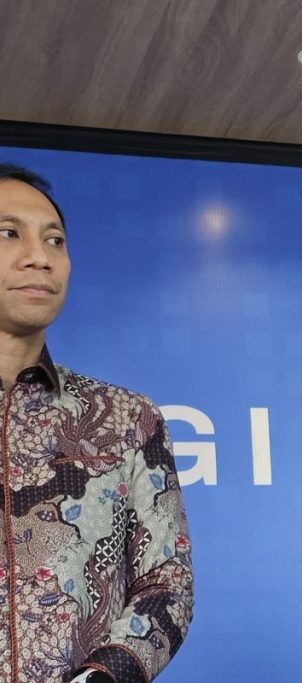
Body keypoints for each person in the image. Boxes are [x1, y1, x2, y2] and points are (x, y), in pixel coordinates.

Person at [0, 164, 194, 683]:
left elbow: (167, 584)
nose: (40, 257)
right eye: (9, 233)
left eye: (55, 240)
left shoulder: (126, 418)